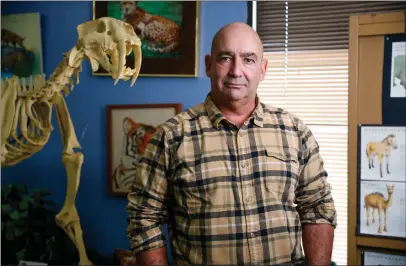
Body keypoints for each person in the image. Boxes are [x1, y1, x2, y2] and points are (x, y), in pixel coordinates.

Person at [125, 22, 337, 266]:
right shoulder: (170, 137)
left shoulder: (295, 132)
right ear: (208, 65)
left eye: (248, 60)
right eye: (226, 58)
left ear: (263, 68)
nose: (236, 70)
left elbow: (318, 207)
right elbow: (143, 216)